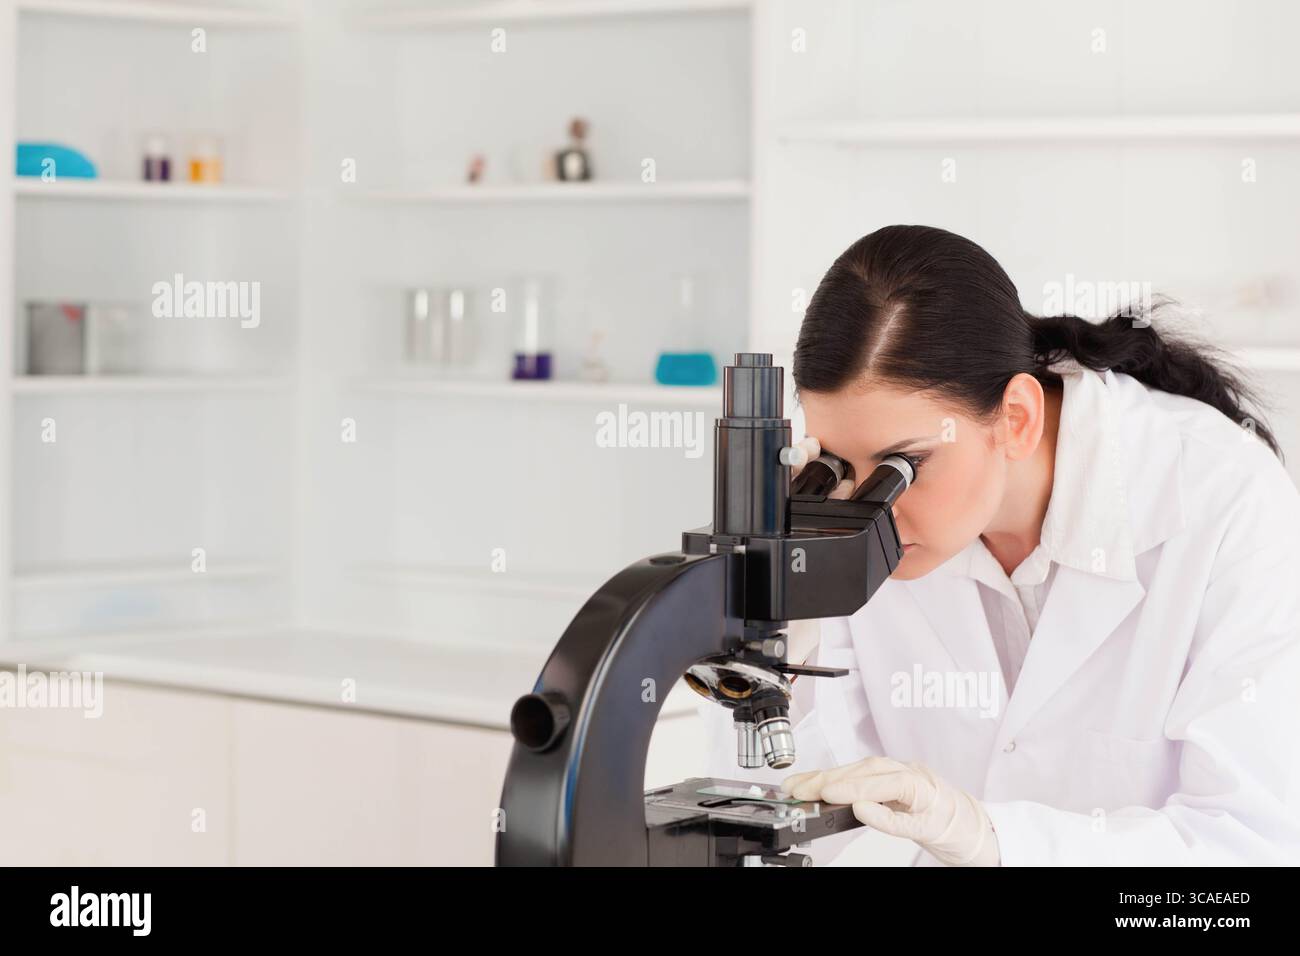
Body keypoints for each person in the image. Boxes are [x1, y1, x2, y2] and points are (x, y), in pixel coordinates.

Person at [705, 224, 1300, 866]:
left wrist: (993, 844)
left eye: (902, 467)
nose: (865, 513)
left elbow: (1246, 860)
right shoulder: (877, 533)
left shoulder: (1223, 497)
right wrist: (783, 612)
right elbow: (801, 797)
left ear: (1015, 418)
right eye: (840, 469)